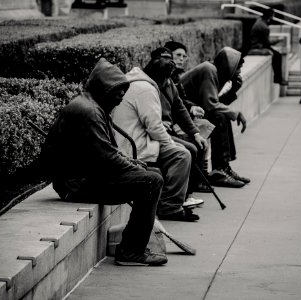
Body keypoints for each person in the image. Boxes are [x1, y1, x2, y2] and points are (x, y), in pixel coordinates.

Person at [42, 58, 167, 266]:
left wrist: (132, 162)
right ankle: (131, 251)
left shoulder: (93, 106)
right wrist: (132, 165)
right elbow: (108, 157)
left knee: (154, 175)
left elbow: (109, 151)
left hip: (85, 177)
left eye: (123, 92)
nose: (121, 97)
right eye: (118, 91)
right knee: (151, 182)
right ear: (104, 88)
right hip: (76, 185)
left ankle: (133, 247)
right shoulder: (89, 111)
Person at [112, 49, 199, 222]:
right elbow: (155, 127)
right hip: (133, 145)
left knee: (182, 149)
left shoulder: (135, 80)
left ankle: (170, 201)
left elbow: (175, 111)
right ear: (161, 78)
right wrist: (171, 144)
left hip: (131, 139)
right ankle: (170, 207)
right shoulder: (146, 89)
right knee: (182, 155)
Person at [179, 47, 250, 188]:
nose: (239, 72)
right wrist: (236, 114)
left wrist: (234, 89)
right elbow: (211, 105)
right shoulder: (209, 70)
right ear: (229, 65)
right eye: (238, 68)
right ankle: (220, 170)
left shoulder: (217, 72)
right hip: (183, 115)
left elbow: (215, 103)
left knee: (222, 116)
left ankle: (224, 167)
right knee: (220, 118)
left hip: (194, 112)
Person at [164, 41, 215, 193]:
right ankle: (195, 184)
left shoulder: (175, 77)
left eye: (184, 56)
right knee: (197, 140)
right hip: (169, 126)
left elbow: (181, 101)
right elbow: (173, 106)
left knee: (206, 127)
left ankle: (203, 176)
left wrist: (192, 107)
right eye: (178, 55)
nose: (181, 59)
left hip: (177, 122)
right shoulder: (165, 78)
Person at [248, 7, 287, 85]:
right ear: (270, 16)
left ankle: (278, 78)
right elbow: (267, 43)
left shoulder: (259, 21)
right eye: (273, 16)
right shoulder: (264, 27)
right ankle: (278, 79)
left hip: (256, 45)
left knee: (276, 54)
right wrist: (278, 40)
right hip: (258, 47)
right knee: (277, 55)